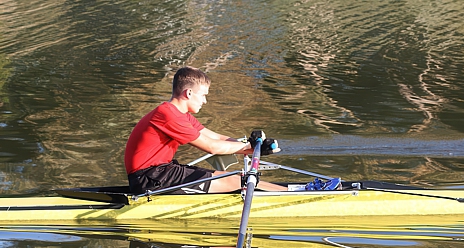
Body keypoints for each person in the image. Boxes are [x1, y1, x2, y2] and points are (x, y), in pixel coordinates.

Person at [124, 66, 341, 194]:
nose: (205, 101)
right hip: (150, 179)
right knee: (234, 179)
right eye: (204, 95)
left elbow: (216, 136)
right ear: (188, 93)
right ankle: (299, 194)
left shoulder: (180, 114)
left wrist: (251, 144)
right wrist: (247, 148)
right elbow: (211, 147)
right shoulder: (168, 114)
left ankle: (292, 191)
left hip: (160, 172)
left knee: (236, 178)